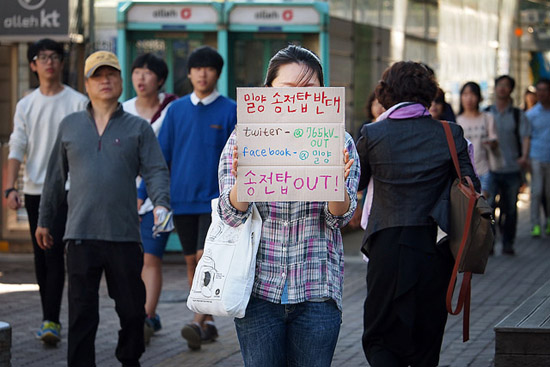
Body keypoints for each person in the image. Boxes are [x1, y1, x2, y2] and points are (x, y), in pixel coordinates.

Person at [218, 44, 360, 367]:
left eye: (309, 90)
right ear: (268, 91)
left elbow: (340, 217)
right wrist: (245, 179)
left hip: (317, 292)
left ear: (323, 93)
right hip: (258, 291)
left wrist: (334, 180)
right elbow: (230, 213)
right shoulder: (244, 137)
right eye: (288, 89)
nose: (299, 98)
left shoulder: (340, 141)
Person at [35, 51, 170, 367]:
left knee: (133, 310)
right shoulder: (69, 126)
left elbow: (156, 170)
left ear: (121, 80)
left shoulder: (138, 128)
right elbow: (55, 179)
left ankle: (129, 359)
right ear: (86, 83)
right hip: (79, 235)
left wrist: (162, 204)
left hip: (124, 236)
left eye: (111, 74)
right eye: (97, 75)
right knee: (81, 314)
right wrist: (44, 220)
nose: (105, 80)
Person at [356, 61, 480, 367]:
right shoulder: (451, 133)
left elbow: (354, 183)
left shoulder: (372, 133)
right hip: (435, 248)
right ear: (429, 95)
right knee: (426, 342)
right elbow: (472, 186)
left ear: (385, 93)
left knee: (380, 337)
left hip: (386, 246)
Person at [4, 38, 88, 345]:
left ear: (62, 62)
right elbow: (17, 146)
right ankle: (49, 318)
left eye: (54, 56)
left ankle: (52, 320)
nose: (49, 62)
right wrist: (9, 188)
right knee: (42, 257)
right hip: (36, 189)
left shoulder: (78, 101)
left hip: (70, 189)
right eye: (42, 57)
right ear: (32, 64)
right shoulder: (26, 104)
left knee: (56, 255)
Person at [154, 46, 236, 350]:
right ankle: (207, 321)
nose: (202, 73)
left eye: (209, 68)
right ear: (188, 73)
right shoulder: (175, 111)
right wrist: (143, 193)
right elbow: (160, 156)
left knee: (205, 260)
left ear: (218, 73)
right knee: (191, 262)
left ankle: (195, 322)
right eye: (197, 68)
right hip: (182, 199)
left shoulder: (231, 110)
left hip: (216, 202)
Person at [122, 53, 177, 343]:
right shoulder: (121, 110)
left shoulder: (173, 109)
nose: (141, 78)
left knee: (151, 258)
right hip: (122, 198)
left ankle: (147, 315)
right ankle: (134, 313)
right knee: (128, 260)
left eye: (148, 73)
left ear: (160, 79)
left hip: (159, 198)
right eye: (137, 72)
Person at [486, 75, 531, 255]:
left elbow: (525, 137)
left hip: (512, 168)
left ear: (511, 90)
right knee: (488, 208)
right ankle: (488, 243)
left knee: (510, 208)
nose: (502, 89)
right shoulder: (487, 112)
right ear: (495, 88)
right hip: (490, 169)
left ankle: (508, 243)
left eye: (506, 86)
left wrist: (524, 157)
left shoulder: (518, 115)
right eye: (500, 85)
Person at [456, 81, 498, 197]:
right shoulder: (456, 121)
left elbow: (495, 140)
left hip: (485, 171)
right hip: (465, 176)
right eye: (465, 94)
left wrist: (491, 143)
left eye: (473, 94)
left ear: (479, 98)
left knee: (485, 209)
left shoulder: (488, 118)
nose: (469, 98)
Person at [525, 78, 550, 237]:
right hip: (536, 157)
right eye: (538, 90)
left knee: (549, 193)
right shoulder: (531, 114)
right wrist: (525, 158)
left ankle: (548, 221)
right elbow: (526, 137)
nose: (541, 93)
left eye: (545, 90)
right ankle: (535, 224)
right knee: (536, 192)